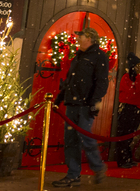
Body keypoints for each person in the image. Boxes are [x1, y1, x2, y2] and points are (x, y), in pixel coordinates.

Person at [53, 27, 109, 188]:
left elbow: (101, 82)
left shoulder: (99, 57)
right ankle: (73, 175)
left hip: (85, 104)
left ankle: (97, 167)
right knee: (70, 141)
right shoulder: (78, 57)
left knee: (85, 137)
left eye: (81, 36)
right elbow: (70, 81)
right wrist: (59, 99)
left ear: (89, 38)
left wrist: (94, 102)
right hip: (72, 104)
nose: (78, 39)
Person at [114, 53, 140, 169]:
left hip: (137, 109)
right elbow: (134, 92)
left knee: (130, 135)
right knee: (124, 134)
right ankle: (122, 160)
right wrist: (138, 76)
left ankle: (128, 158)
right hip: (129, 109)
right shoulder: (126, 77)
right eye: (138, 66)